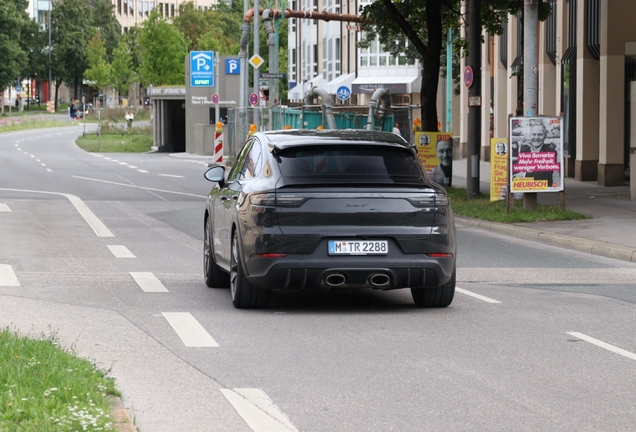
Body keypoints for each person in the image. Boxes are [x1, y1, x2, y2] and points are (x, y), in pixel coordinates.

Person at [514, 122, 559, 188]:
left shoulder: (550, 152)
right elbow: (517, 169)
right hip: (525, 187)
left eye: (540, 135)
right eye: (533, 134)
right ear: (530, 135)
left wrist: (523, 175)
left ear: (545, 136)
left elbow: (544, 175)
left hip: (543, 191)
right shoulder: (525, 150)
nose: (536, 137)